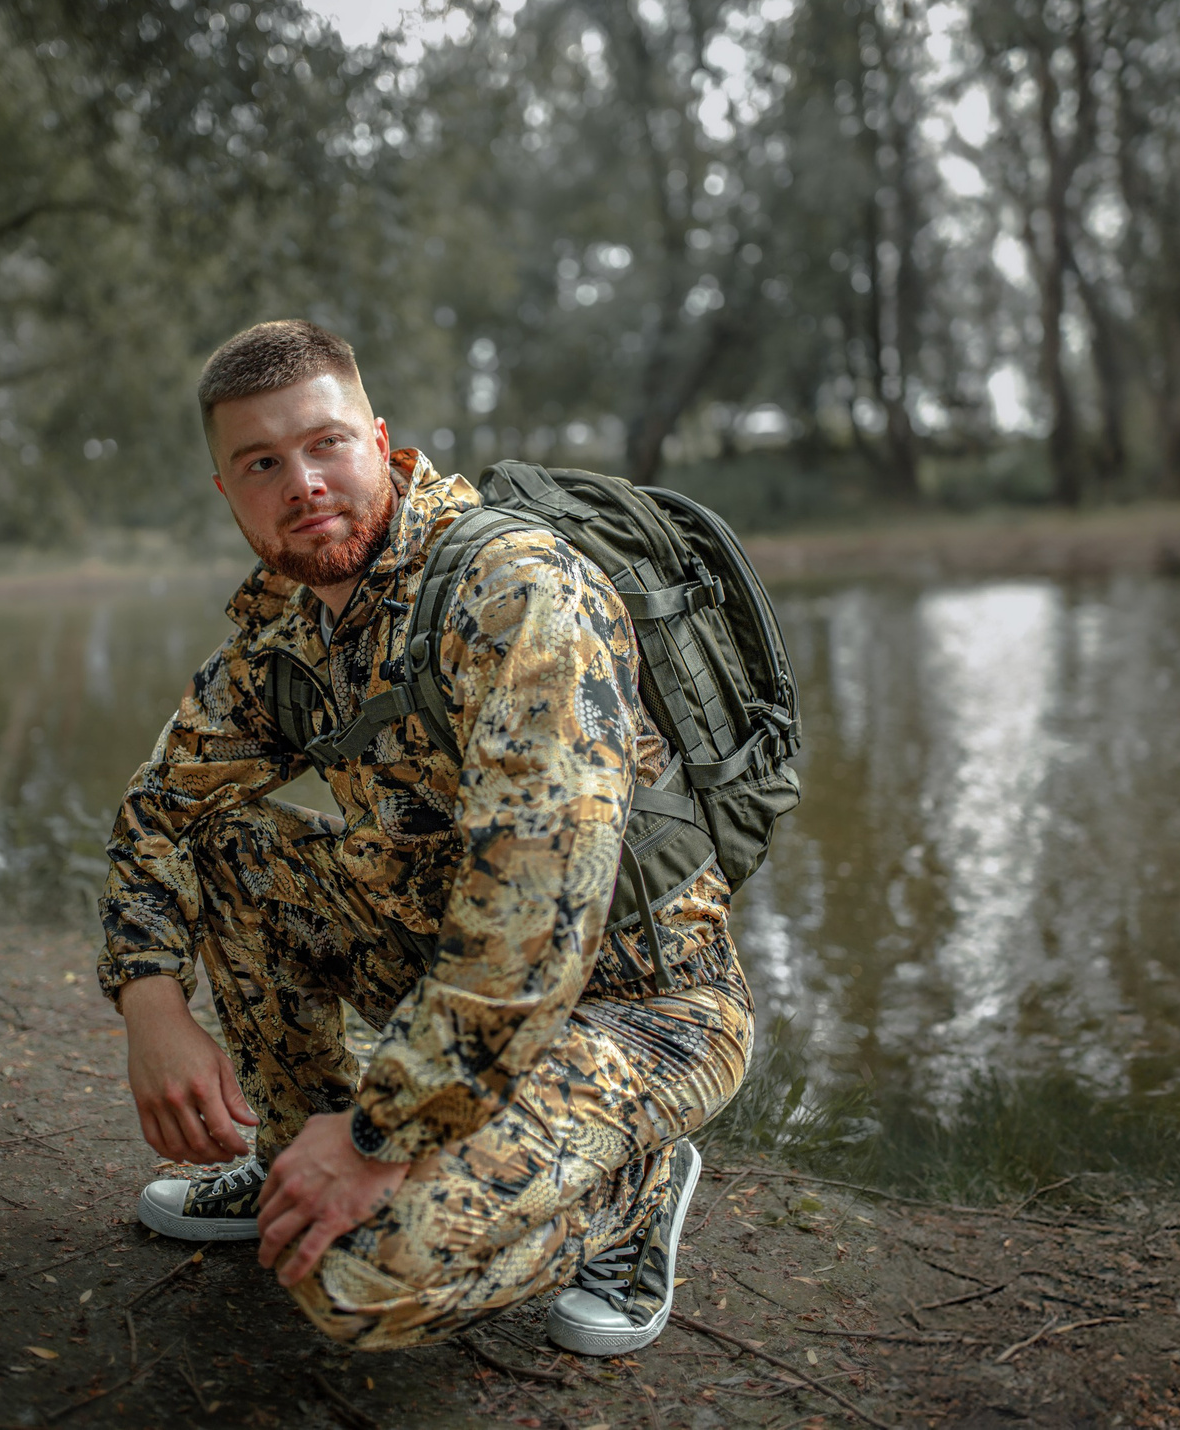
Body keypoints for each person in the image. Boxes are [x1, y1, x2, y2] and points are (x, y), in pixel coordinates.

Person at [96, 319, 753, 1355]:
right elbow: (162, 810)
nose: (302, 484)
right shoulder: (287, 631)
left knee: (354, 1278)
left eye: (324, 444)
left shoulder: (515, 591)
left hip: (642, 1006)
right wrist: (148, 999)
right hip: (440, 965)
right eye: (262, 464)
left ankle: (632, 1190)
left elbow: (533, 926)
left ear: (378, 440)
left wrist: (379, 1137)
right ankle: (289, 1164)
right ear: (227, 491)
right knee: (229, 844)